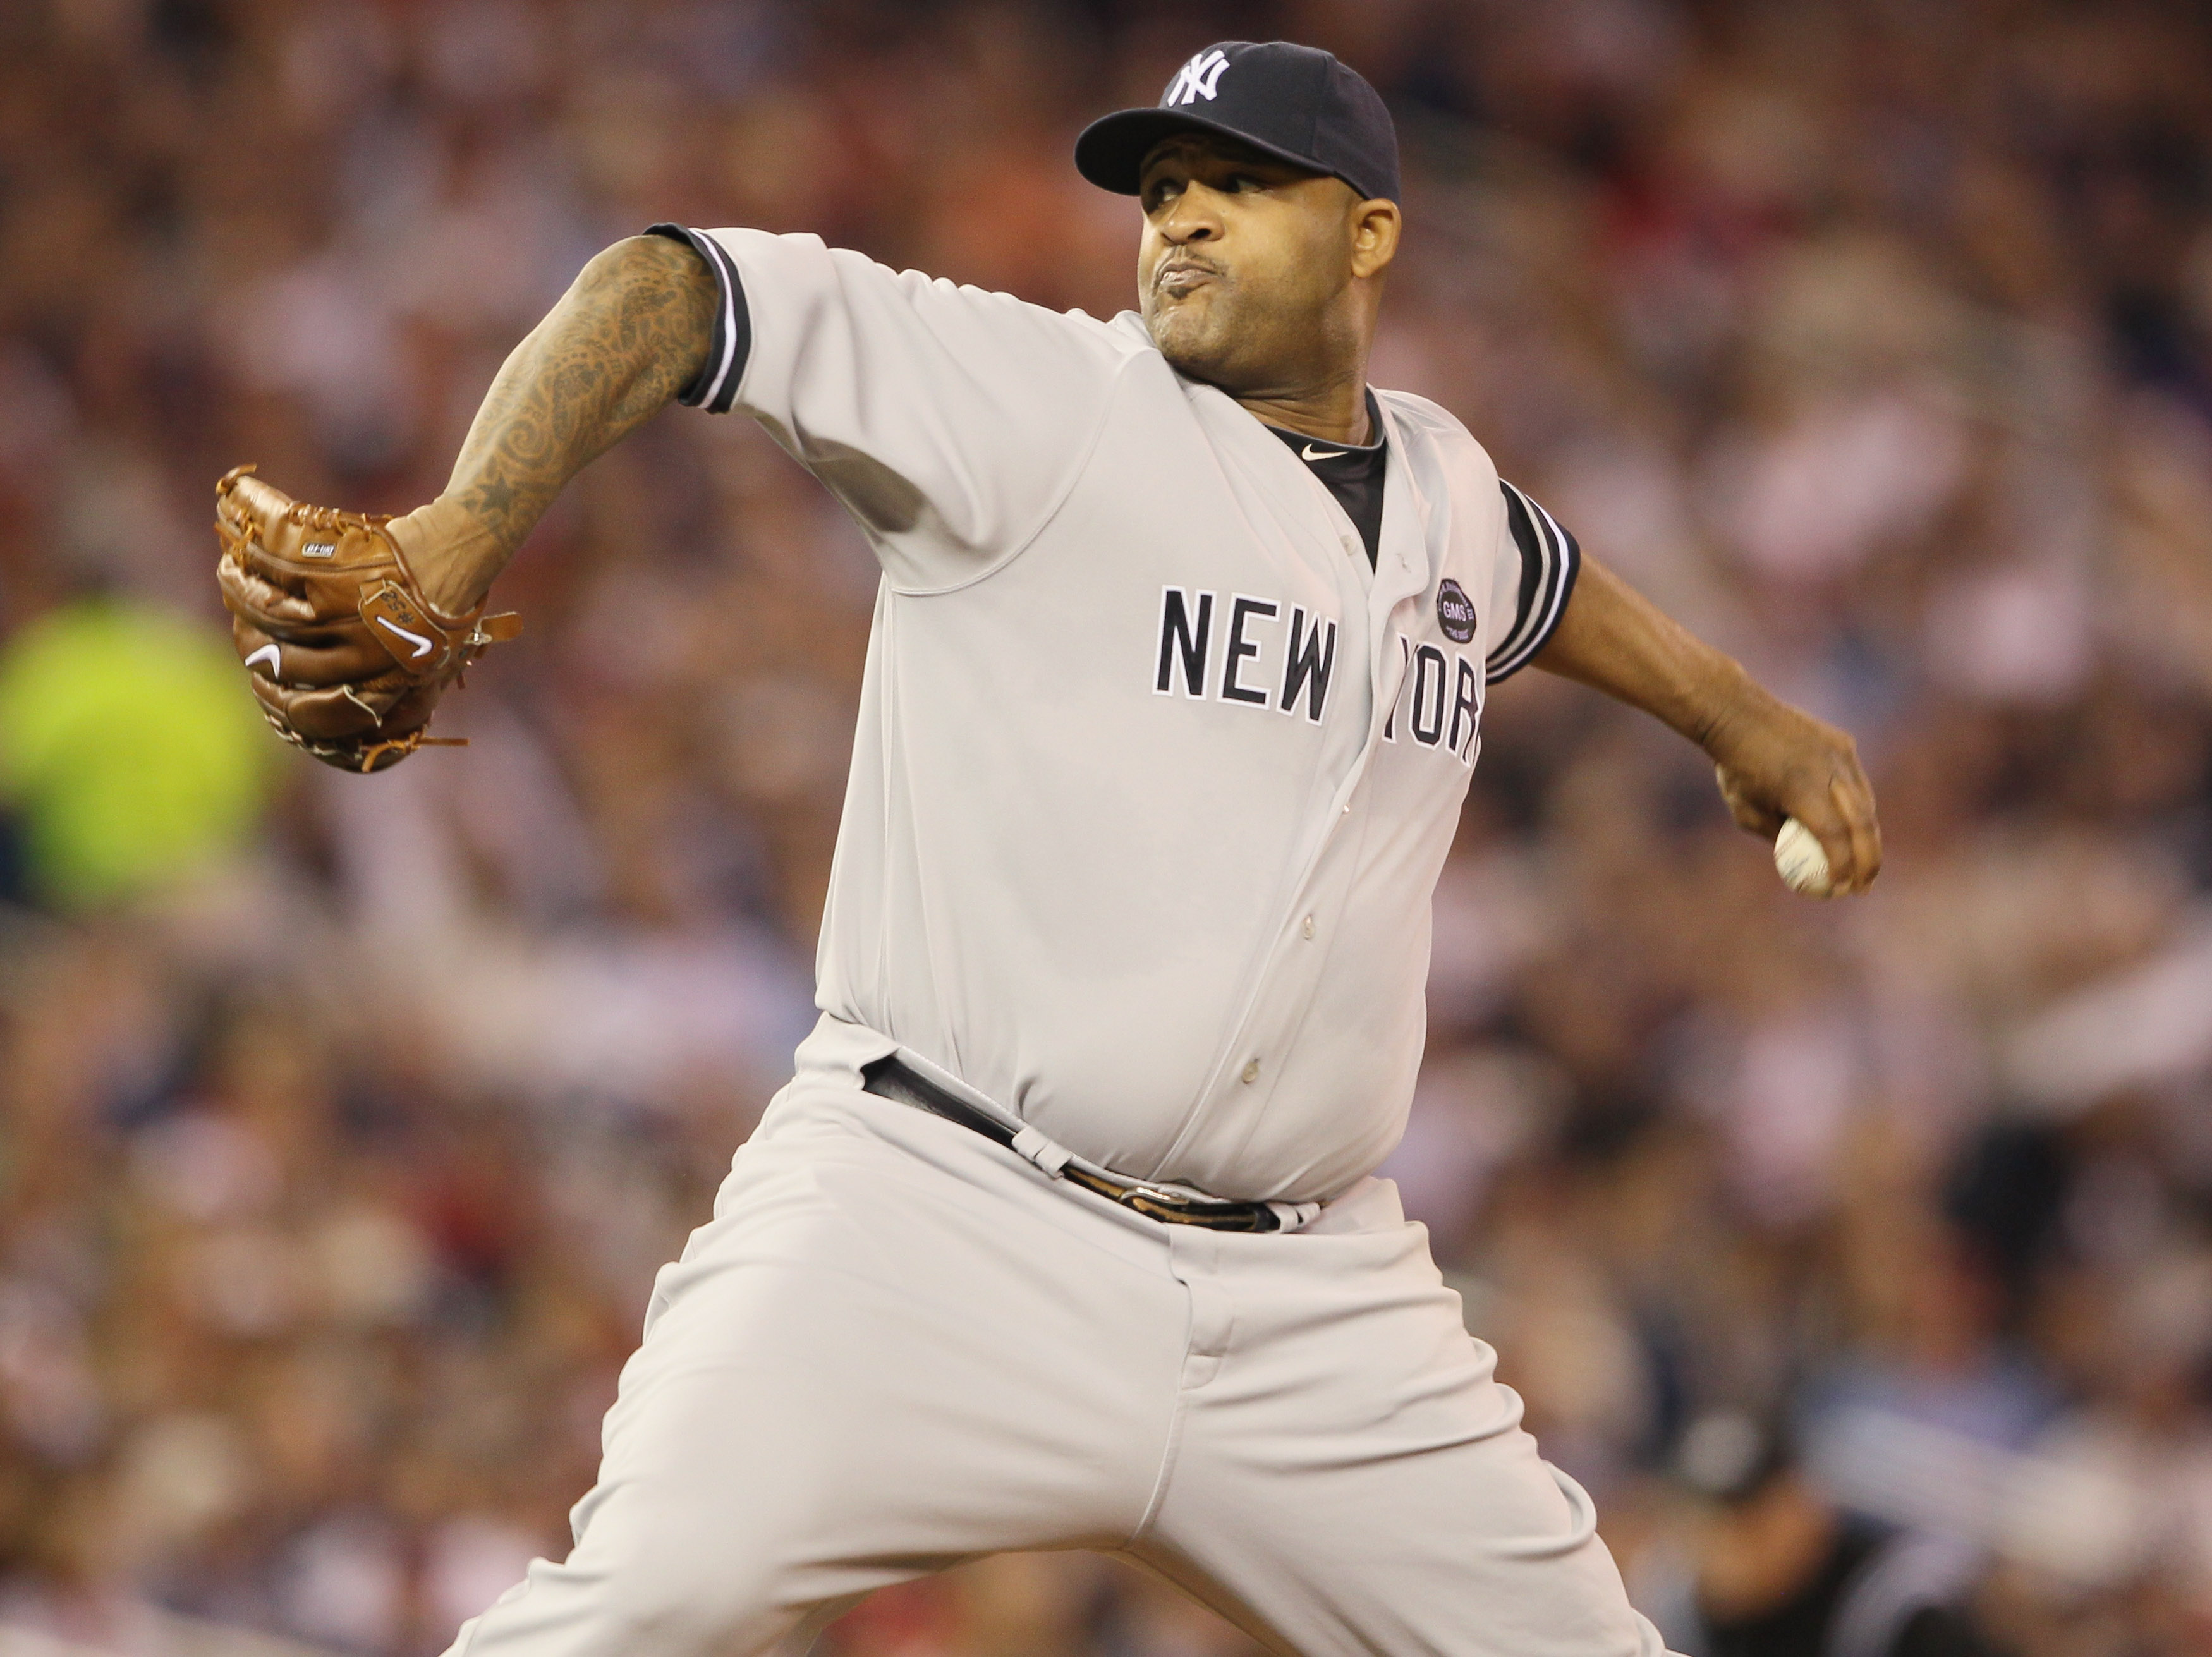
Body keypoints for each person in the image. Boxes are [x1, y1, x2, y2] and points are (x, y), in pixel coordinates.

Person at [243, 39, 1881, 1657]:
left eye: (1238, 184)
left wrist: (1742, 719)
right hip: (936, 1215)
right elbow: (674, 286)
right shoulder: (1045, 404)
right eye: (1163, 189)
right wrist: (458, 527)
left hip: (1314, 1308)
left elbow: (1534, 578)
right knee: (639, 1616)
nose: (1180, 218)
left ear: (1368, 231)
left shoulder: (1442, 483)